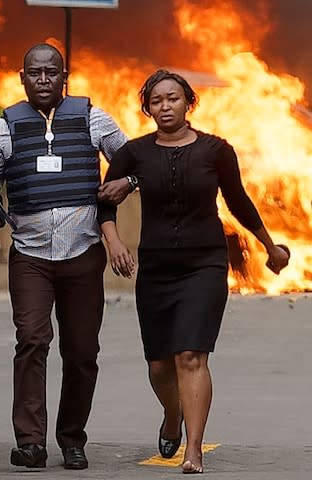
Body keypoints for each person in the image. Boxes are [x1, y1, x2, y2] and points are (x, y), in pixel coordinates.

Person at [98, 69, 290, 474]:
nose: (165, 106)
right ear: (147, 109)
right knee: (158, 365)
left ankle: (194, 450)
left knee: (190, 355)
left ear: (189, 103)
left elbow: (238, 201)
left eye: (173, 98)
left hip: (204, 264)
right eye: (157, 101)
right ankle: (172, 415)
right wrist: (114, 242)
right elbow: (105, 203)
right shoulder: (134, 153)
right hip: (156, 268)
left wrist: (269, 246)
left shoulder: (216, 150)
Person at [0, 43, 132, 470]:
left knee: (82, 352)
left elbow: (130, 163)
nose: (44, 79)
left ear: (65, 76)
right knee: (32, 341)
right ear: (22, 76)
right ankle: (30, 442)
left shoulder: (93, 119)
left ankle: (72, 439)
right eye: (35, 73)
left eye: (52, 72)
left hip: (83, 254)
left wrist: (124, 189)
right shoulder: (4, 128)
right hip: (30, 257)